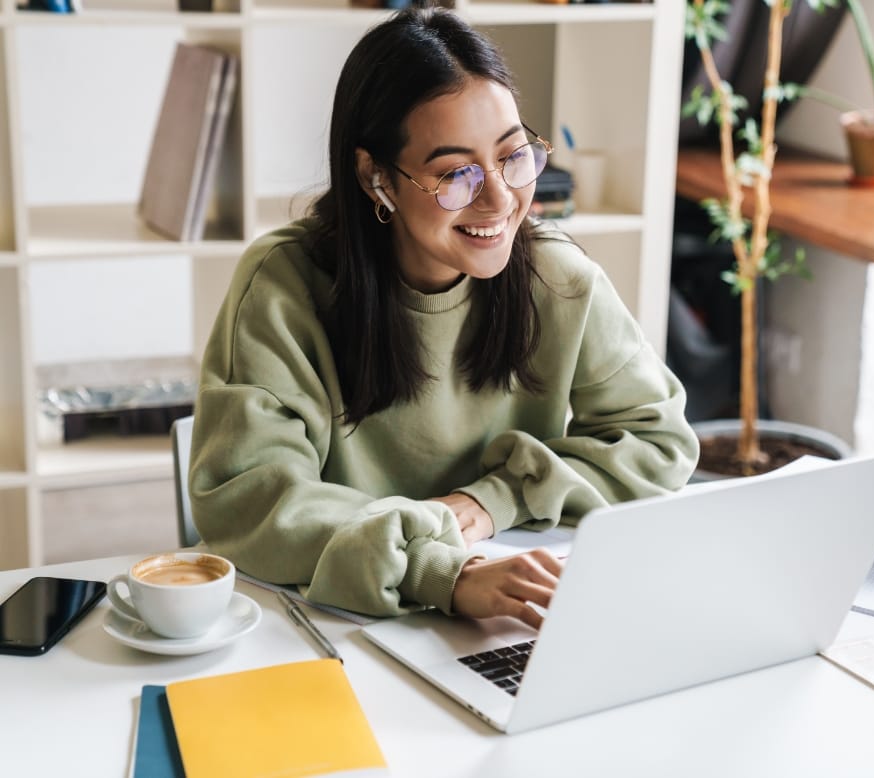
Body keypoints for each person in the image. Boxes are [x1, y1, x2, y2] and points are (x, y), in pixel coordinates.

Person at [189, 7, 699, 630]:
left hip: (507, 607)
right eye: (456, 174)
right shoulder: (283, 286)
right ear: (377, 179)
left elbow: (658, 441)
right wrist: (439, 570)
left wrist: (495, 501)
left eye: (514, 157)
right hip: (335, 622)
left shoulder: (558, 279)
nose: (501, 199)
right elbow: (252, 501)